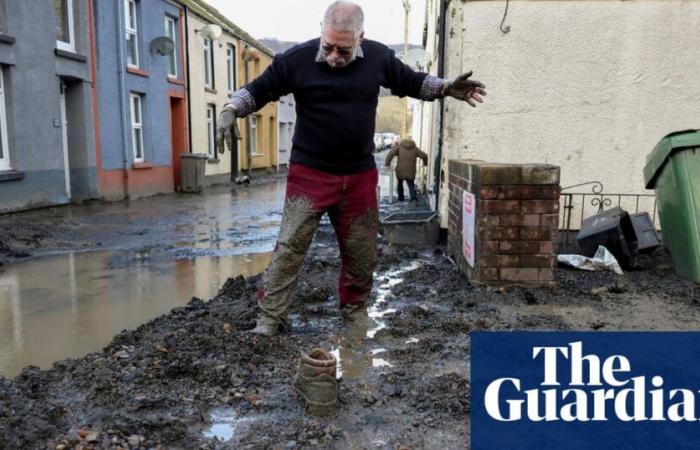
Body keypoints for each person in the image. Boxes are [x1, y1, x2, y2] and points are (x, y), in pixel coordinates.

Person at [216, 0, 486, 336]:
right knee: (289, 248)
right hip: (309, 174)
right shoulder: (296, 60)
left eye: (343, 50)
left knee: (361, 252)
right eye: (327, 47)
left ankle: (355, 310)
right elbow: (257, 90)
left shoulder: (378, 58)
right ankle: (270, 318)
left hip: (358, 176)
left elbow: (411, 81)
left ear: (361, 38)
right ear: (321, 34)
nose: (333, 57)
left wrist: (445, 87)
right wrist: (230, 108)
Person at [384, 138, 428, 202]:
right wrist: (425, 163)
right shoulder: (415, 148)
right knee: (411, 184)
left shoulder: (399, 147)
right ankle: (413, 198)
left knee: (400, 184)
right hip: (411, 171)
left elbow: (390, 153)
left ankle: (401, 198)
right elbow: (424, 156)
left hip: (400, 170)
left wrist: (387, 164)